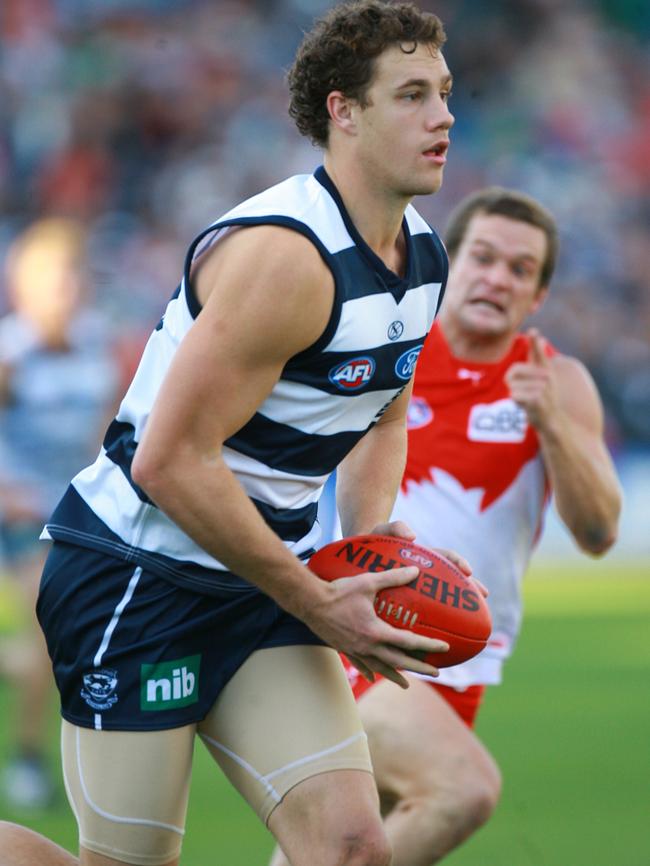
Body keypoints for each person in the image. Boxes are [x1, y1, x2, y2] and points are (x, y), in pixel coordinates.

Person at [4, 2, 462, 864]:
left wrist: (364, 542)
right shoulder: (286, 257)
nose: (443, 115)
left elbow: (385, 409)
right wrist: (314, 596)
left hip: (259, 580)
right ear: (344, 111)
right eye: (411, 94)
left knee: (354, 849)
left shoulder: (422, 256)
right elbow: (169, 461)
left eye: (444, 91)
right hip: (133, 580)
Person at [314, 187, 621, 866]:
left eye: (519, 269)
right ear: (450, 261)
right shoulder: (391, 353)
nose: (496, 277)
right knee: (463, 790)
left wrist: (552, 426)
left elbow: (599, 532)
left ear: (537, 296)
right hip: (363, 632)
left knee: (345, 850)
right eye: (482, 257)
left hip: (463, 656)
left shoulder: (555, 381)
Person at [0, 218, 120, 809]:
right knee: (47, 636)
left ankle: (37, 755)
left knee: (47, 643)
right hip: (17, 511)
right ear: (24, 285)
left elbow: (104, 432)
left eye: (73, 277)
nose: (67, 290)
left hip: (66, 510)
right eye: (54, 279)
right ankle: (26, 762)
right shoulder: (10, 354)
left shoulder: (96, 345)